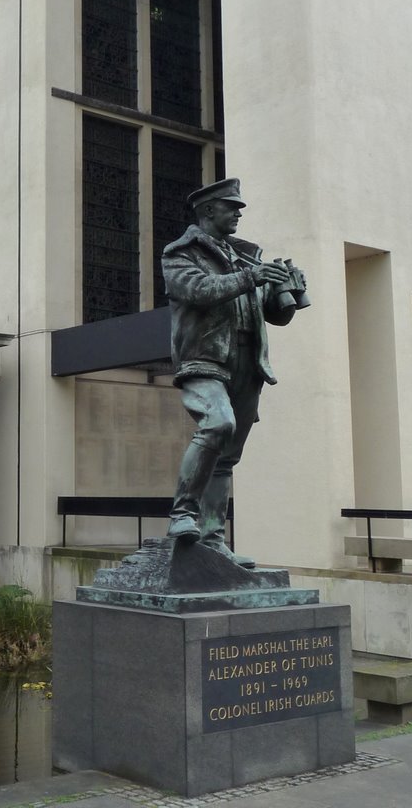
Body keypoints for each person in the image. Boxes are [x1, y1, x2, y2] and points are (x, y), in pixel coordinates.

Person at [162, 178, 304, 568]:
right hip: (205, 358)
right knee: (217, 423)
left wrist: (286, 295)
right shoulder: (181, 253)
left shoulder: (247, 258)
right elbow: (199, 291)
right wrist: (251, 278)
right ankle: (182, 515)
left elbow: (273, 315)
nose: (239, 213)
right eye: (232, 206)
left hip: (248, 361)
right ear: (209, 210)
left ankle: (212, 538)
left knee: (227, 457)